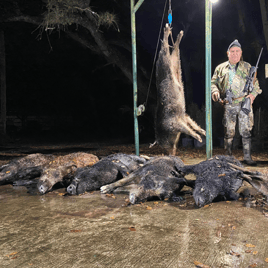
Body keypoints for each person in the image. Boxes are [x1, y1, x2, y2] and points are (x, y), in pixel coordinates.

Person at [211, 39, 262, 165]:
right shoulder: (221, 68)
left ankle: (247, 158)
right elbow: (213, 83)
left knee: (246, 131)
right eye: (232, 51)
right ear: (228, 53)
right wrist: (214, 92)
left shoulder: (248, 67)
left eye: (237, 51)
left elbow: (256, 85)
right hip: (229, 103)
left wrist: (252, 96)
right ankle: (228, 158)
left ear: (241, 53)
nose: (235, 53)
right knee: (229, 132)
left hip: (244, 102)